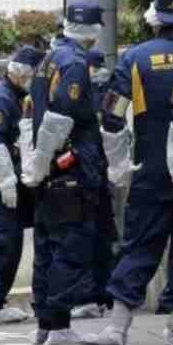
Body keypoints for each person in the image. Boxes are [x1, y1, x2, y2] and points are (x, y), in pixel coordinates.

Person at [83, 0, 173, 345]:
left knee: (140, 245)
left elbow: (113, 116)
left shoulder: (136, 58)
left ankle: (117, 328)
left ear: (155, 18)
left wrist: (119, 165)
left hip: (151, 169)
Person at [21, 0, 105, 345]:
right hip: (70, 167)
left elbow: (32, 116)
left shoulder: (47, 60)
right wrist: (41, 161)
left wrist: (37, 165)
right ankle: (58, 325)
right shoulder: (73, 63)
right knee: (70, 246)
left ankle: (45, 323)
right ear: (93, 29)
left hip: (50, 173)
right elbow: (60, 120)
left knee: (47, 248)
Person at [0, 46, 45, 327]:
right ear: (20, 73)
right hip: (5, 183)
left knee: (11, 243)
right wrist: (6, 183)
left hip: (18, 180)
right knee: (2, 243)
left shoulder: (19, 95)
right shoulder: (1, 98)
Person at [70, 48, 118, 319]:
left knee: (83, 234)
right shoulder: (111, 90)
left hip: (85, 172)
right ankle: (104, 295)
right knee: (104, 235)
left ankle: (88, 297)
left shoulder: (81, 92)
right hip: (105, 171)